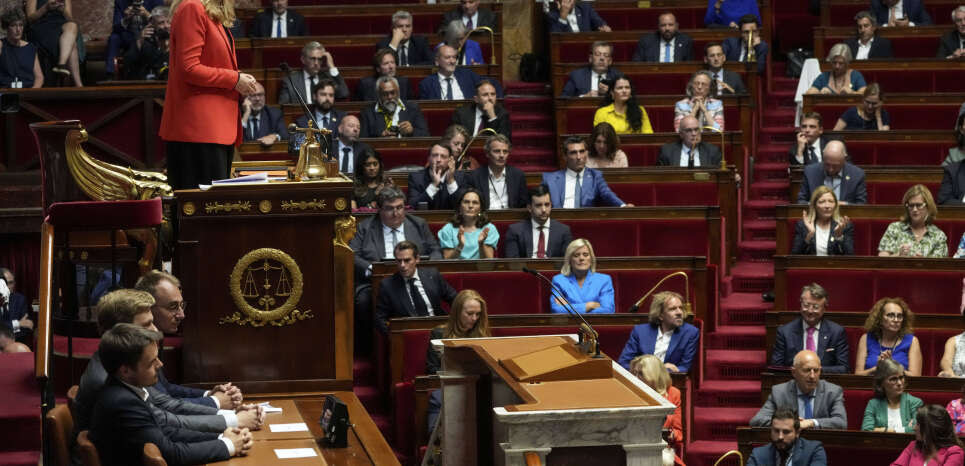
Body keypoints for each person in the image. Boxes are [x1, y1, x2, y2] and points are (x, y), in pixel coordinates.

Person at [75, 289, 257, 434]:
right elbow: (165, 418)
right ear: (121, 330)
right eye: (146, 325)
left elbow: (165, 396)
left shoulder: (128, 359)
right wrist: (230, 419)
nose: (155, 330)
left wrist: (213, 398)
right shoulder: (111, 376)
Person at [89, 323, 253, 465]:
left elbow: (167, 431)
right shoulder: (122, 402)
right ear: (125, 370)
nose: (160, 364)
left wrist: (221, 437)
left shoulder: (126, 388)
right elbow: (172, 454)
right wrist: (229, 446)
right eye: (152, 362)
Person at [160, 0, 258, 191]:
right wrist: (234, 79)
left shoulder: (213, 14)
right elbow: (189, 68)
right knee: (202, 212)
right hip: (197, 130)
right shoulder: (192, 7)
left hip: (213, 129)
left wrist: (237, 80)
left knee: (214, 211)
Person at [133, 272, 244, 408]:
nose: (182, 315)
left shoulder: (150, 342)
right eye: (173, 307)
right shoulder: (134, 351)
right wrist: (216, 401)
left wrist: (209, 394)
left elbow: (167, 388)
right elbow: (162, 405)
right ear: (148, 308)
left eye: (181, 305)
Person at [423, 288, 490, 432]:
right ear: (457, 312)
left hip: (476, 387)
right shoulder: (439, 334)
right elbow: (432, 368)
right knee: (438, 399)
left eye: (478, 314)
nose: (474, 319)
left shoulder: (483, 337)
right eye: (469, 314)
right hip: (449, 386)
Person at [350, 186, 443, 284]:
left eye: (399, 207)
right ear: (379, 209)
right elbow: (352, 255)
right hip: (377, 282)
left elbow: (436, 250)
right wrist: (372, 269)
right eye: (390, 208)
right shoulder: (365, 227)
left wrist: (426, 271)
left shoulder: (419, 224)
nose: (396, 213)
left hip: (416, 279)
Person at [749, 350, 847, 429]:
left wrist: (812, 422)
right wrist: (789, 423)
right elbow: (757, 420)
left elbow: (841, 423)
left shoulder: (833, 391)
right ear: (794, 372)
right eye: (807, 370)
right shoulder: (779, 392)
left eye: (816, 370)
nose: (812, 376)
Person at [375, 241, 458, 333]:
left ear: (417, 259)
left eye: (407, 260)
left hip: (438, 330)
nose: (402, 265)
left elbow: (455, 299)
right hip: (408, 335)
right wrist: (395, 336)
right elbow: (380, 318)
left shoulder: (432, 275)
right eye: (399, 261)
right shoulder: (388, 285)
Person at [771, 283, 850, 373]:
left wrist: (815, 370)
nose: (810, 311)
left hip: (825, 383)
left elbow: (844, 368)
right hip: (794, 382)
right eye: (806, 305)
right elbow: (776, 367)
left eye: (816, 307)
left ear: (824, 309)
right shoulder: (785, 332)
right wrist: (800, 373)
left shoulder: (836, 332)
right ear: (800, 305)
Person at [618, 291, 699, 372]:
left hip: (670, 380)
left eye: (680, 308)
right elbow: (624, 362)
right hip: (641, 380)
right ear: (660, 315)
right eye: (672, 309)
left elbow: (684, 367)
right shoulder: (640, 331)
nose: (679, 312)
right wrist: (657, 369)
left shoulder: (690, 332)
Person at [543, 136, 630, 208]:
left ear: (586, 154)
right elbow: (539, 202)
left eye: (582, 152)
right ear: (565, 156)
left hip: (585, 223)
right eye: (573, 153)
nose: (578, 157)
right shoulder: (550, 179)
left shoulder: (595, 176)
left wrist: (623, 205)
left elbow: (607, 194)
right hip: (559, 223)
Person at [629, 355, 685, 466]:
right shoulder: (631, 394)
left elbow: (679, 433)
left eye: (640, 374)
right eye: (634, 373)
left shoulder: (673, 394)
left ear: (653, 375)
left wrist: (672, 435)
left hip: (663, 452)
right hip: (634, 451)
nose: (635, 378)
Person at [855, 297, 923, 376]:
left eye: (899, 316)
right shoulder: (866, 338)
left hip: (901, 387)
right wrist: (876, 369)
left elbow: (916, 377)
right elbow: (858, 375)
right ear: (879, 318)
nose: (896, 320)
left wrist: (892, 366)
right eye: (891, 315)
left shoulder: (912, 341)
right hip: (870, 386)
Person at [503, 184, 573, 258]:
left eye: (547, 205)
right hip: (525, 269)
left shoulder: (563, 231)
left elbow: (566, 262)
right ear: (529, 208)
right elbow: (513, 263)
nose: (544, 210)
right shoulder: (515, 231)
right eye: (538, 205)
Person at [879, 184, 947, 257]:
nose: (914, 209)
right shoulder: (895, 228)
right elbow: (882, 259)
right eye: (911, 205)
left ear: (928, 206)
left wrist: (923, 263)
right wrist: (898, 255)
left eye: (919, 205)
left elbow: (939, 267)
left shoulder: (938, 236)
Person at [25, 0, 82, 86]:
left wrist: (63, 10)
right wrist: (46, 8)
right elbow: (30, 18)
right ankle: (79, 85)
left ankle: (61, 64)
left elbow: (70, 18)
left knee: (73, 25)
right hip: (41, 26)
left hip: (60, 25)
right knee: (72, 44)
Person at [550, 239, 614, 314]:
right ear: (569, 259)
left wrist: (569, 307)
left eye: (585, 255)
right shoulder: (559, 280)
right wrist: (589, 306)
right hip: (569, 325)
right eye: (576, 255)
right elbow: (556, 310)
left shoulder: (604, 280)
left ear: (591, 259)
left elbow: (608, 310)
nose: (581, 258)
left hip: (595, 325)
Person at [747, 408, 828, 466]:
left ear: (797, 433)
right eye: (776, 431)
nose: (780, 437)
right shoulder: (758, 454)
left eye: (786, 432)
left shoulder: (814, 451)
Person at [465, 134, 527, 209]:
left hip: (510, 218)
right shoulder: (475, 176)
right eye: (497, 151)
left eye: (505, 151)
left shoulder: (518, 175)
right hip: (484, 218)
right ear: (487, 153)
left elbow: (523, 205)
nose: (501, 155)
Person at [105, 0, 163, 79]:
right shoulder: (121, 2)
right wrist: (126, 19)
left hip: (149, 35)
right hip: (129, 37)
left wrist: (148, 16)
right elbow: (116, 27)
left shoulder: (155, 1)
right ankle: (110, 73)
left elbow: (163, 23)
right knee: (114, 38)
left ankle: (156, 72)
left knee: (152, 40)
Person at [797, 140, 867, 204]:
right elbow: (801, 201)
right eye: (827, 164)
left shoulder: (857, 174)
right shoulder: (810, 172)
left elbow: (861, 205)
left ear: (844, 159)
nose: (831, 169)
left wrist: (845, 204)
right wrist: (816, 206)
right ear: (823, 157)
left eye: (835, 166)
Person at [862, 358, 924, 432]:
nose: (899, 383)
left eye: (901, 378)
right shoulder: (873, 404)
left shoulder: (915, 403)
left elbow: (918, 431)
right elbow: (866, 431)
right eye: (893, 379)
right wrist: (904, 429)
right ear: (882, 383)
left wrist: (881, 430)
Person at [418, 44, 497, 100]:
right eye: (447, 57)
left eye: (454, 57)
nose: (452, 61)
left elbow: (493, 83)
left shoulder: (468, 75)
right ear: (437, 61)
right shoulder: (426, 84)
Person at [279, 41, 348, 105]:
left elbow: (344, 94)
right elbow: (284, 109)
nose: (316, 63)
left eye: (319, 59)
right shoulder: (291, 81)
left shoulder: (328, 78)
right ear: (303, 60)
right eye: (312, 59)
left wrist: (332, 67)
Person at [791, 186, 854, 256]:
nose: (827, 206)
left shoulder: (844, 225)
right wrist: (809, 236)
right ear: (814, 205)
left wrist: (839, 237)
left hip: (835, 266)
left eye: (831, 201)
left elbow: (850, 257)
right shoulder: (803, 225)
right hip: (811, 266)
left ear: (835, 205)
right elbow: (795, 256)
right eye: (822, 202)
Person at [892, 405, 964, 466]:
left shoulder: (954, 452)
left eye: (918, 424)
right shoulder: (913, 446)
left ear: (931, 428)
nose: (914, 428)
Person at [438, 188, 499, 259]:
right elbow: (447, 261)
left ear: (480, 209)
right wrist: (460, 246)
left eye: (475, 203)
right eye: (466, 202)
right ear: (460, 207)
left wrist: (481, 245)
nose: (470, 206)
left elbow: (488, 264)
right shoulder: (448, 229)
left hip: (480, 269)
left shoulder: (488, 229)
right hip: (456, 269)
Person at [360, 76, 429, 138]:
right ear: (378, 95)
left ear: (398, 92)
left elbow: (426, 135)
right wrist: (380, 138)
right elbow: (363, 141)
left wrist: (412, 131)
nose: (390, 97)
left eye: (393, 93)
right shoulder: (368, 113)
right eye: (385, 94)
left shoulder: (413, 109)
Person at [408, 143, 466, 210]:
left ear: (450, 160)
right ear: (429, 158)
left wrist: (451, 181)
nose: (438, 160)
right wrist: (434, 185)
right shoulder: (416, 178)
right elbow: (412, 206)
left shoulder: (461, 177)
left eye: (443, 156)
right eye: (435, 155)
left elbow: (463, 207)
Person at [121, 6, 170, 81]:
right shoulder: (145, 41)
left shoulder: (179, 40)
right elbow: (128, 62)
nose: (166, 26)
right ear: (152, 24)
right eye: (161, 23)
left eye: (168, 22)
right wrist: (140, 41)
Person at [0, 9, 43, 88]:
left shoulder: (30, 48)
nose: (18, 29)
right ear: (6, 27)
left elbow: (39, 77)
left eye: (20, 25)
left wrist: (33, 93)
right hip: (6, 92)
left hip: (28, 91)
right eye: (13, 25)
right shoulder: (1, 45)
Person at [241, 82, 287, 146]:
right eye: (253, 95)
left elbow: (285, 135)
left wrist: (274, 136)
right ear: (245, 98)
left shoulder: (274, 114)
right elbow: (237, 138)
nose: (257, 99)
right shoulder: (237, 114)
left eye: (260, 95)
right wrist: (246, 114)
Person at [0, 267, 32, 344]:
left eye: (11, 283)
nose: (9, 286)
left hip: (15, 342)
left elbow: (26, 327)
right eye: (5, 283)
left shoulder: (20, 299)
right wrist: (18, 324)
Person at [545, 0, 610, 33]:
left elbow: (599, 22)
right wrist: (563, 17)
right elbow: (556, 39)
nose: (571, 2)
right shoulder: (552, 16)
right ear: (558, 2)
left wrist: (604, 27)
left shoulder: (585, 8)